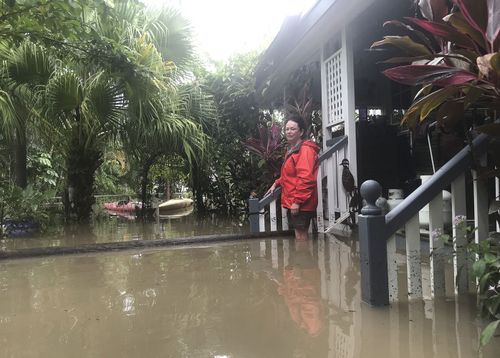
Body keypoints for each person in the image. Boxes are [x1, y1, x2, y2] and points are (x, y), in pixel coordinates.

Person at [266, 114, 319, 241]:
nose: (289, 132)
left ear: (301, 132)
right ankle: (301, 260)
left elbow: (306, 178)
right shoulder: (292, 149)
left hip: (301, 203)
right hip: (296, 201)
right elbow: (289, 174)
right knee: (299, 235)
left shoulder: (305, 150)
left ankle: (302, 260)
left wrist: (297, 201)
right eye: (287, 129)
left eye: (293, 129)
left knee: (301, 236)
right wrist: (277, 183)